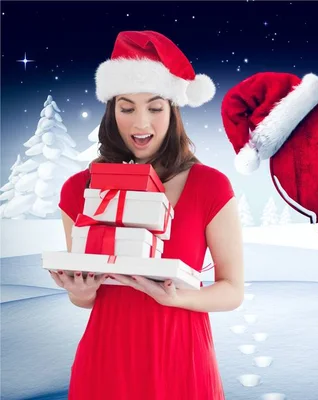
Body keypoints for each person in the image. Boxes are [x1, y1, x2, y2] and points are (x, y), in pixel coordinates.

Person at [48, 30, 244, 400]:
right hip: (105, 361)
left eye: (155, 108)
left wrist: (176, 299)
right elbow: (87, 296)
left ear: (173, 110)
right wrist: (81, 292)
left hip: (181, 360)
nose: (141, 124)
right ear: (112, 110)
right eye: (127, 107)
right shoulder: (78, 190)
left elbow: (232, 290)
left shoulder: (210, 186)